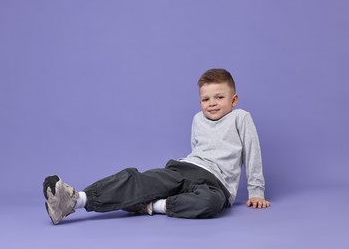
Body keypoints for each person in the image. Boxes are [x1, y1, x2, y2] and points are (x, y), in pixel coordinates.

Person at [43, 68, 270, 225]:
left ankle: (153, 206)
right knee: (139, 179)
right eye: (205, 99)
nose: (211, 103)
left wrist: (256, 191)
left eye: (219, 97)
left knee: (210, 204)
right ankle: (74, 200)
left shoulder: (240, 118)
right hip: (184, 169)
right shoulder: (197, 119)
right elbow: (197, 150)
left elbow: (252, 153)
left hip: (217, 184)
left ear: (234, 99)